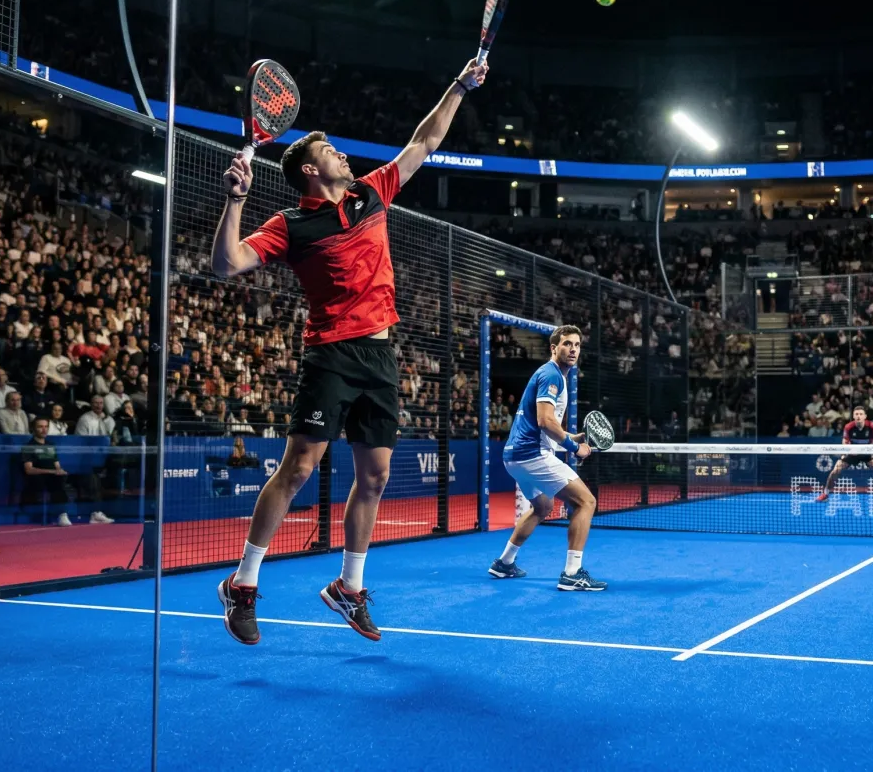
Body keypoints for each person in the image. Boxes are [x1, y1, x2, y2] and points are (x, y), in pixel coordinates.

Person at [210, 57, 489, 645]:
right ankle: (242, 583)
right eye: (333, 151)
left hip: (380, 358)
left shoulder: (372, 193)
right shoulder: (289, 225)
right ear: (312, 170)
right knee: (299, 470)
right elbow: (226, 265)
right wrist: (235, 201)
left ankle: (349, 588)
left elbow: (426, 138)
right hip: (331, 356)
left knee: (377, 476)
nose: (344, 155)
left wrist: (459, 84)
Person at [488, 325, 606, 591]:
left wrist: (569, 437)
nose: (573, 349)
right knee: (586, 502)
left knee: (542, 507)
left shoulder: (551, 375)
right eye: (567, 344)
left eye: (577, 345)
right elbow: (544, 421)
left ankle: (504, 563)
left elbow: (543, 423)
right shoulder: (552, 375)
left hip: (514, 457)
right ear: (554, 348)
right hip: (532, 455)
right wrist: (575, 449)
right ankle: (572, 573)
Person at [815, 406, 873, 504]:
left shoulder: (871, 426)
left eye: (861, 414)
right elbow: (844, 443)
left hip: (868, 453)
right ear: (853, 416)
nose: (858, 416)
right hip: (852, 453)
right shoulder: (848, 427)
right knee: (835, 471)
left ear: (865, 416)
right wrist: (846, 452)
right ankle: (825, 493)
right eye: (856, 414)